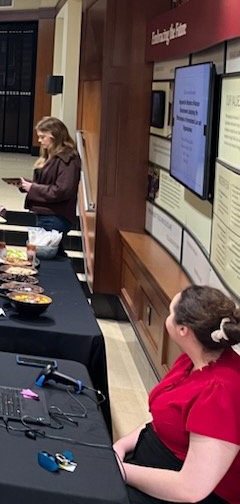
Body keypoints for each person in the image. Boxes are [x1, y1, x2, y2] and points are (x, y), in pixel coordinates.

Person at [113, 285, 240, 504]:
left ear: (183, 330)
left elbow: (190, 489)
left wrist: (121, 471)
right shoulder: (192, 360)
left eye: (171, 313)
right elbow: (163, 422)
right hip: (152, 462)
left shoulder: (221, 391)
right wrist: (120, 447)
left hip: (187, 493)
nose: (168, 317)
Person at [18, 116, 82, 238]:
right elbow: (49, 183)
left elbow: (62, 190)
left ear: (54, 136)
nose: (39, 141)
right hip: (47, 213)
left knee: (46, 254)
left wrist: (32, 188)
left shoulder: (67, 159)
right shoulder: (51, 156)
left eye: (43, 137)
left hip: (56, 215)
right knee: (50, 253)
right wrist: (27, 185)